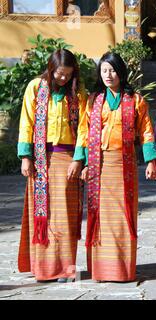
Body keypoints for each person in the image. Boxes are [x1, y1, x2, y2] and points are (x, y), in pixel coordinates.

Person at [75, 52, 156, 282]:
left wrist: (151, 160)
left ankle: (122, 270)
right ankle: (102, 269)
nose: (108, 75)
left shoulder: (136, 100)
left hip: (125, 164)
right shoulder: (94, 100)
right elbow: (84, 132)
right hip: (98, 163)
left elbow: (146, 130)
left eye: (112, 70)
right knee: (101, 215)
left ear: (120, 72)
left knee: (123, 215)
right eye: (104, 71)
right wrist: (81, 161)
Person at [17, 49, 87, 283]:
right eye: (59, 73)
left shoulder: (79, 93)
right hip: (40, 159)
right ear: (50, 69)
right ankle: (44, 269)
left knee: (65, 215)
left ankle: (66, 269)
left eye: (68, 74)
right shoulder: (36, 87)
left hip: (67, 158)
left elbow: (85, 128)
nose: (63, 79)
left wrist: (79, 159)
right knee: (43, 214)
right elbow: (26, 121)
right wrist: (26, 156)